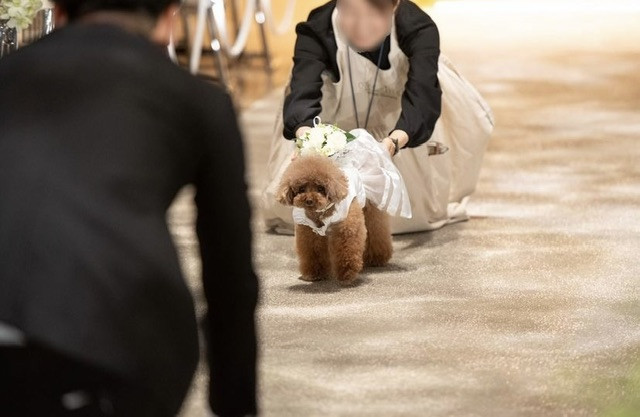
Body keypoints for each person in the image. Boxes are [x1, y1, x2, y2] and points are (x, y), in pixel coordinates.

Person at [0, 0, 258, 416]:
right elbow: (230, 278)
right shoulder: (199, 101)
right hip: (119, 341)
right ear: (169, 22)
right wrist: (236, 404)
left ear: (59, 14)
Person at [262, 0, 494, 234]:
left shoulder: (417, 28)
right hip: (332, 126)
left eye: (374, 15)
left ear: (394, 7)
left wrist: (392, 144)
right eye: (350, 13)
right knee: (306, 216)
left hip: (397, 128)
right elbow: (302, 93)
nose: (361, 26)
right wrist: (310, 142)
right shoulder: (318, 27)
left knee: (408, 214)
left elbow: (422, 97)